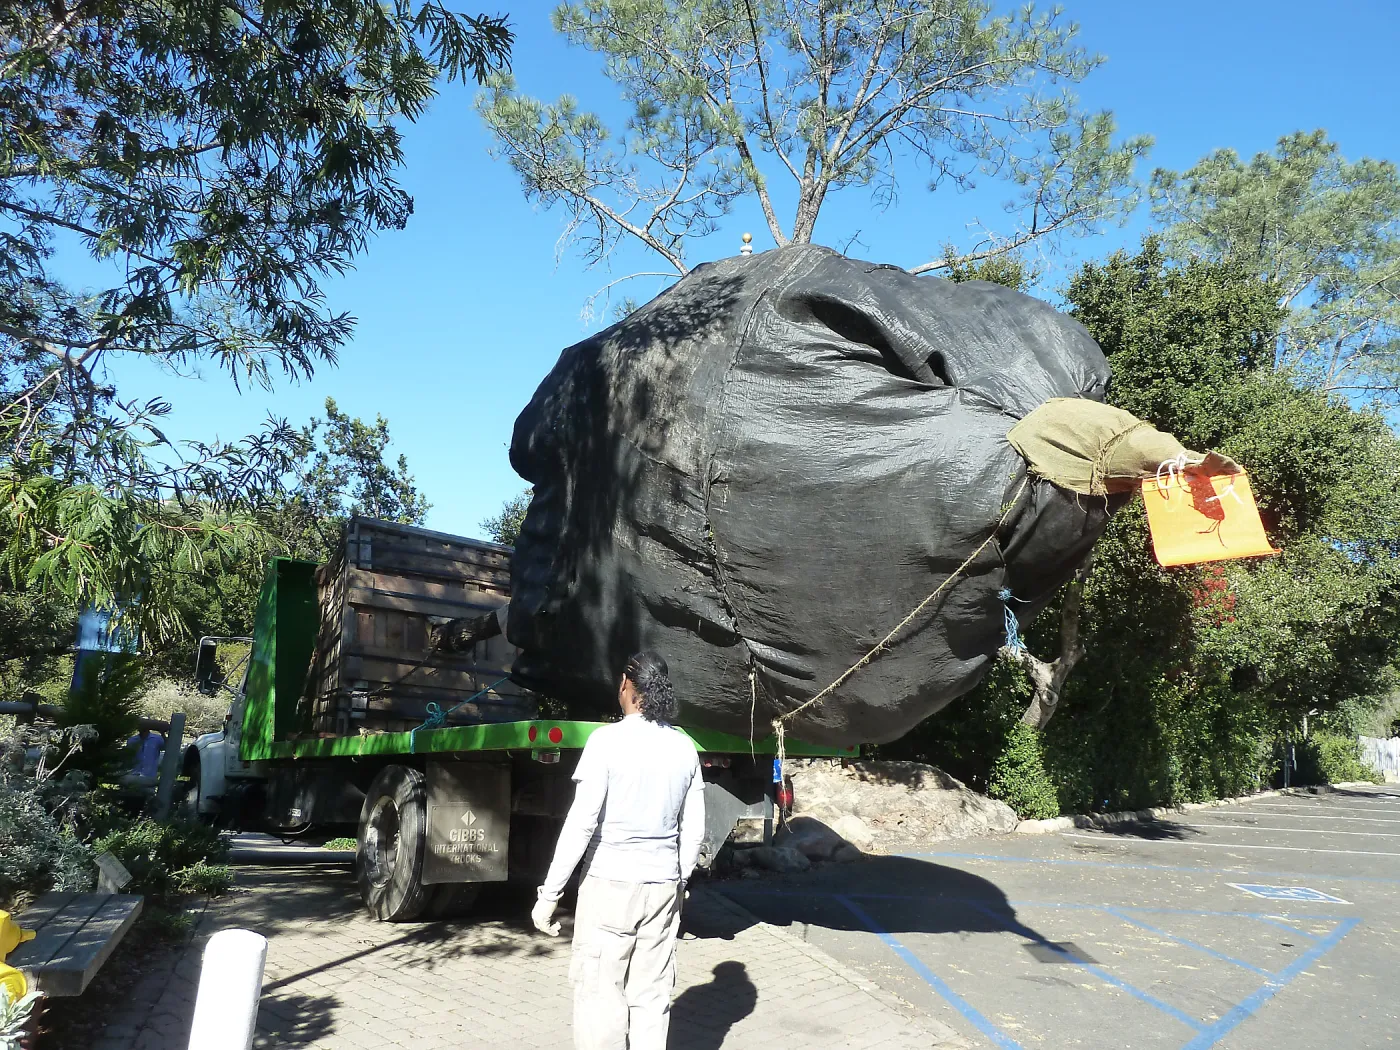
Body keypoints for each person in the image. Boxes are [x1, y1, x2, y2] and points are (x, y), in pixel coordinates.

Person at [531, 650, 706, 1050]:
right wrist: (680, 877)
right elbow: (693, 829)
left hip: (610, 884)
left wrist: (549, 895)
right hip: (663, 885)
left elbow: (581, 824)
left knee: (600, 995)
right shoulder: (683, 747)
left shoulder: (606, 742)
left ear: (626, 684)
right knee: (651, 995)